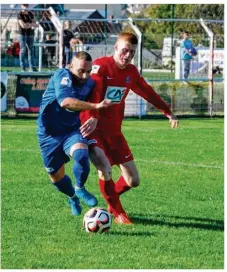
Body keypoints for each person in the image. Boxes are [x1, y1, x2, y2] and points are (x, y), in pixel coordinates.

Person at [80, 31, 179, 224]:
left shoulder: (131, 72)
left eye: (132, 53)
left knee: (133, 180)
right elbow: (93, 95)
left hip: (114, 132)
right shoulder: (100, 67)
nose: (127, 56)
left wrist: (168, 112)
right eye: (125, 51)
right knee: (105, 169)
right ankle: (118, 213)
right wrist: (91, 116)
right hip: (94, 129)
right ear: (115, 48)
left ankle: (111, 200)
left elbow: (147, 91)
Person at [37, 51, 112, 216]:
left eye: (88, 71)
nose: (85, 75)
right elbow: (66, 103)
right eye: (81, 71)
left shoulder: (90, 83)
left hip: (71, 130)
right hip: (49, 134)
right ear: (71, 66)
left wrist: (94, 116)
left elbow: (100, 92)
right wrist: (96, 107)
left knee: (81, 154)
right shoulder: (62, 75)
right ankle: (72, 196)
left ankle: (79, 188)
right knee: (57, 179)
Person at [17, 4, 38, 72]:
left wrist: (29, 25)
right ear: (21, 6)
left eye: (27, 5)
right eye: (24, 5)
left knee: (31, 51)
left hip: (30, 34)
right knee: (23, 50)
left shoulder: (31, 13)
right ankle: (22, 67)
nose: (25, 7)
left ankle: (32, 67)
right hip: (22, 34)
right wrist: (31, 24)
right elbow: (23, 25)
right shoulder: (19, 14)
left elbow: (36, 24)